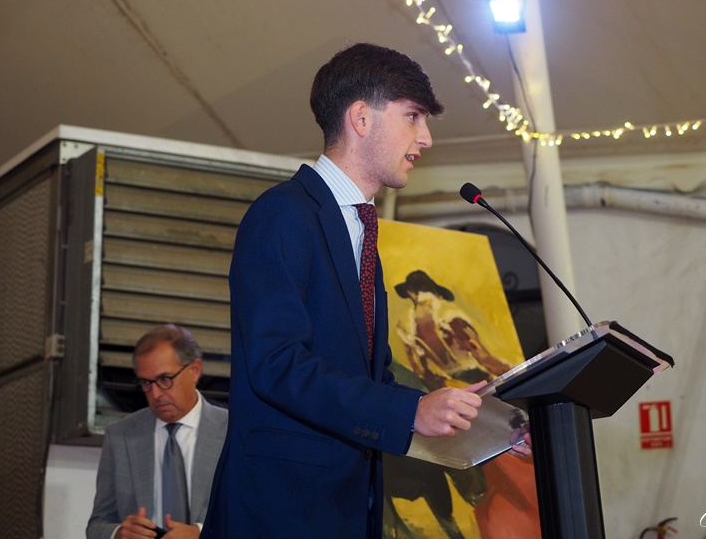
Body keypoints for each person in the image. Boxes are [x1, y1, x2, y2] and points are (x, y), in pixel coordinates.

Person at [201, 43, 531, 538]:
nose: (426, 138)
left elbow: (368, 380)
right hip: (282, 509)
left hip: (346, 507)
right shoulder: (282, 214)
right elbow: (277, 364)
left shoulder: (360, 228)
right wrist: (409, 412)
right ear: (360, 117)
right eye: (413, 116)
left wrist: (477, 422)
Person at [87, 324, 228, 539]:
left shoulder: (230, 431)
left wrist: (200, 533)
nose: (155, 394)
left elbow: (253, 516)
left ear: (194, 370)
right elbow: (97, 525)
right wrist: (118, 533)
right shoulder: (121, 435)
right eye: (146, 382)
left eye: (164, 379)